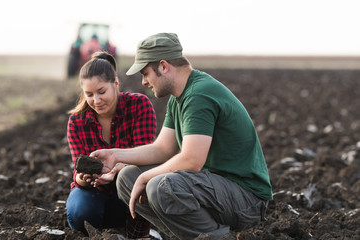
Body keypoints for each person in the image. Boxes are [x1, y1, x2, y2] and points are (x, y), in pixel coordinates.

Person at [90, 33, 273, 239]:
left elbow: (192, 160)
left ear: (163, 66)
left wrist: (146, 176)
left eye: (145, 73)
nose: (144, 82)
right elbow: (162, 149)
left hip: (246, 198)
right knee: (126, 178)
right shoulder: (179, 99)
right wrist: (115, 155)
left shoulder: (198, 94)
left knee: (163, 187)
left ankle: (217, 237)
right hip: (216, 189)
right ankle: (188, 235)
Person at [65, 51, 157, 238]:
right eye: (89, 94)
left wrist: (115, 171)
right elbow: (78, 171)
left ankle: (137, 234)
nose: (96, 101)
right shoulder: (77, 122)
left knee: (146, 187)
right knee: (79, 211)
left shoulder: (139, 105)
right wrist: (85, 178)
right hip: (95, 194)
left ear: (115, 83)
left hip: (132, 190)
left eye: (101, 92)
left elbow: (146, 158)